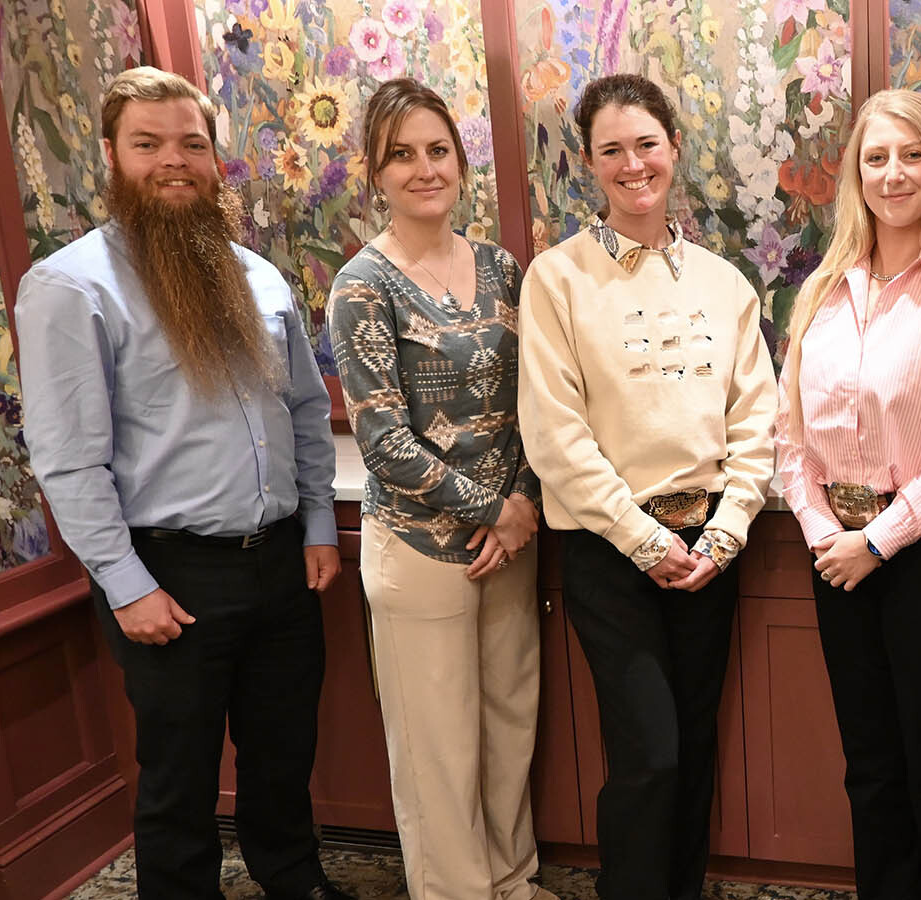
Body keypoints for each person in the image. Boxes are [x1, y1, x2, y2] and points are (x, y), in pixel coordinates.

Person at [14, 67, 349, 900]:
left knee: (283, 753)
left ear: (215, 159)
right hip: (168, 573)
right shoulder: (71, 287)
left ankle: (293, 879)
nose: (174, 160)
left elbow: (305, 412)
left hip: (278, 563)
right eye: (149, 143)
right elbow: (65, 458)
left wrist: (315, 528)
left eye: (192, 145)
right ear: (110, 155)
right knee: (179, 774)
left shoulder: (257, 275)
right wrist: (126, 588)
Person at [516, 73, 776, 900]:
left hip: (711, 548)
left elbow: (755, 424)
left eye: (647, 144)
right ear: (589, 165)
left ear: (674, 149)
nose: (633, 164)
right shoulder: (556, 280)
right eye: (611, 150)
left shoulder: (725, 284)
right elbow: (556, 437)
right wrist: (644, 540)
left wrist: (725, 533)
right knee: (647, 754)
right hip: (607, 550)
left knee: (694, 745)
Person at [774, 88, 921, 900]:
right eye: (876, 157)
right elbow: (790, 437)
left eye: (912, 155)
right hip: (834, 552)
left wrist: (875, 543)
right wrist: (822, 532)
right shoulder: (820, 289)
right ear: (855, 174)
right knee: (869, 763)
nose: (893, 172)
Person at [327, 78, 553, 900]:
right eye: (401, 155)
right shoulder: (362, 285)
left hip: (512, 541)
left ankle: (513, 880)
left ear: (460, 162)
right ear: (375, 174)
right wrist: (496, 507)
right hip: (422, 549)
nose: (424, 169)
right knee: (438, 748)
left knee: (507, 725)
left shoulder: (501, 267)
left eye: (437, 151)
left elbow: (540, 400)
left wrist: (521, 504)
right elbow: (383, 440)